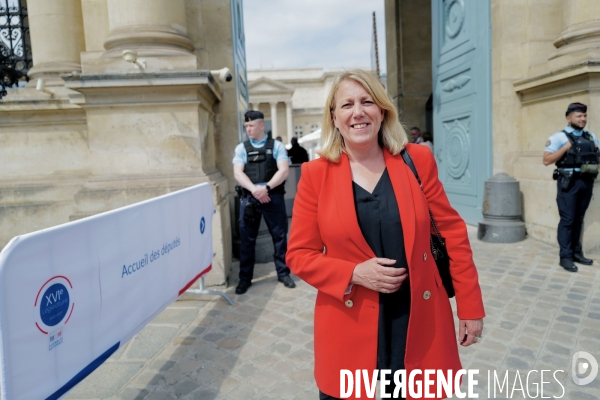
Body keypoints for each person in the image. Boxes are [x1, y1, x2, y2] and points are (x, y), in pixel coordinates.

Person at [286, 69, 484, 399]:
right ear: (334, 118)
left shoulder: (417, 160)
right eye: (347, 105)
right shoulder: (314, 175)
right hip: (350, 318)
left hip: (416, 316)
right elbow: (298, 255)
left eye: (367, 102)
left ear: (382, 111)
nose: (358, 112)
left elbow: (452, 234)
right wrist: (353, 272)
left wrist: (470, 306)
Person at [232, 110, 296, 294]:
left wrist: (266, 188)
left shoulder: (276, 146)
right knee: (247, 240)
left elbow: (283, 171)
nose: (248, 130)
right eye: (246, 126)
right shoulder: (241, 148)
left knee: (279, 237)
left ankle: (283, 273)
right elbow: (238, 172)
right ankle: (245, 279)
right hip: (250, 197)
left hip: (272, 196)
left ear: (262, 125)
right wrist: (255, 190)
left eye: (251, 126)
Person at [543, 102, 599, 272]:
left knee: (578, 219)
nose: (583, 119)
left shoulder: (591, 136)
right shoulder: (558, 137)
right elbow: (546, 160)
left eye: (584, 116)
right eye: (579, 116)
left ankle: (576, 253)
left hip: (586, 182)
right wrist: (566, 148)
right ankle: (565, 257)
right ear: (568, 118)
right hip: (568, 183)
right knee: (567, 220)